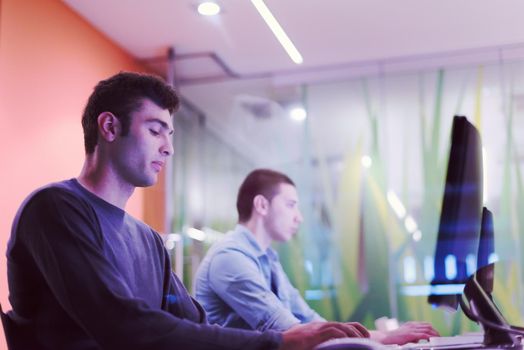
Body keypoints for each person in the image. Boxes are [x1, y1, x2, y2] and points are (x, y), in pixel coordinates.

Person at [5, 72, 369, 350]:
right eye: (155, 130)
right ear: (110, 127)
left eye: (171, 135)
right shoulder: (54, 209)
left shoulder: (146, 238)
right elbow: (120, 324)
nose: (168, 149)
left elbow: (194, 323)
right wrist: (278, 342)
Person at [194, 169, 439, 345]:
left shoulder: (267, 259)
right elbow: (289, 330)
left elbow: (312, 322)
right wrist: (384, 337)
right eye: (291, 205)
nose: (298, 217)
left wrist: (379, 337)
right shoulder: (230, 257)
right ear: (261, 205)